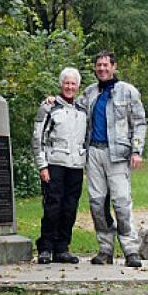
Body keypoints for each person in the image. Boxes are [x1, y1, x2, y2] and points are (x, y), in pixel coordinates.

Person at [82, 51, 146, 267]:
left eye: (105, 65)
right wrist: (53, 101)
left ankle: (131, 250)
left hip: (117, 155)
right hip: (94, 154)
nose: (102, 69)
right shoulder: (89, 93)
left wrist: (136, 151)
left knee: (121, 203)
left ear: (114, 66)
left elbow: (139, 123)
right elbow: (73, 110)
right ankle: (105, 250)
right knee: (97, 204)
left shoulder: (128, 91)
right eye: (98, 65)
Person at [31, 67, 87, 264]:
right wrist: (42, 166)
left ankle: (62, 248)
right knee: (52, 207)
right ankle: (45, 248)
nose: (69, 87)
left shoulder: (82, 109)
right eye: (66, 83)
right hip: (54, 164)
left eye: (73, 83)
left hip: (76, 166)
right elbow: (38, 138)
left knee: (70, 208)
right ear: (61, 84)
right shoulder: (49, 107)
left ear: (78, 86)